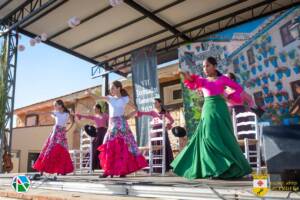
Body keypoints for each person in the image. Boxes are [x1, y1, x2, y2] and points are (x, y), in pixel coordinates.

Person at [171, 57, 252, 179]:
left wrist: (228, 96)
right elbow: (191, 80)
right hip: (208, 109)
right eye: (203, 66)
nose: (205, 69)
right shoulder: (203, 81)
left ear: (215, 66)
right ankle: (215, 168)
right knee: (208, 136)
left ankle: (229, 168)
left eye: (207, 65)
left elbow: (238, 88)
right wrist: (183, 73)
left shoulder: (223, 79)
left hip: (221, 109)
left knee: (225, 137)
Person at [89, 81, 148, 178]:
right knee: (109, 146)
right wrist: (90, 93)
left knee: (123, 147)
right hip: (112, 125)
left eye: (112, 88)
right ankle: (107, 170)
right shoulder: (110, 98)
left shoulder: (125, 99)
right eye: (110, 88)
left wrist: (128, 116)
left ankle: (122, 170)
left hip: (121, 124)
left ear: (118, 88)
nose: (111, 90)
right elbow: (98, 98)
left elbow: (136, 109)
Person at [32, 100, 74, 175]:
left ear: (60, 105)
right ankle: (42, 169)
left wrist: (67, 129)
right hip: (55, 132)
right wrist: (35, 112)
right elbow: (45, 113)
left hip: (62, 133)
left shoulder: (68, 113)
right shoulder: (55, 113)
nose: (54, 107)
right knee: (50, 149)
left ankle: (61, 170)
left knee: (62, 150)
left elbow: (72, 122)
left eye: (55, 105)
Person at [136, 98, 174, 173]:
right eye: (154, 103)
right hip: (154, 132)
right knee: (151, 147)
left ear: (160, 103)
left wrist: (168, 125)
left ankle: (164, 166)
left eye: (156, 102)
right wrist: (138, 112)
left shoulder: (164, 112)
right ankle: (150, 166)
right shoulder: (152, 112)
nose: (154, 104)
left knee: (164, 147)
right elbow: (144, 113)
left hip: (162, 131)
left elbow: (172, 120)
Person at [75, 104, 109, 170]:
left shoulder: (105, 115)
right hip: (98, 132)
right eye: (94, 109)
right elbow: (87, 116)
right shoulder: (94, 116)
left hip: (104, 132)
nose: (94, 110)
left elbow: (111, 119)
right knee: (94, 146)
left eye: (95, 109)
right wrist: (80, 116)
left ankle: (106, 165)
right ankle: (93, 166)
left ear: (99, 109)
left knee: (105, 147)